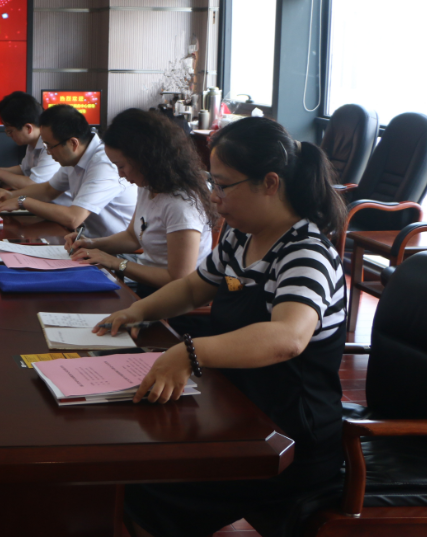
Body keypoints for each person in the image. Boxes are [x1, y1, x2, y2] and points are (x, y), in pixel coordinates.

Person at [94, 117, 347, 537]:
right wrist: (136, 312)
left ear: (269, 183)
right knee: (129, 458)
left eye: (223, 185)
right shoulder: (240, 238)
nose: (214, 197)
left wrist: (190, 352)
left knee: (143, 486)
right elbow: (193, 287)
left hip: (284, 440)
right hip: (235, 410)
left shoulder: (306, 253)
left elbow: (288, 337)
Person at [64, 109, 214, 297]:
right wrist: (90, 244)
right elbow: (132, 237)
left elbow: (179, 278)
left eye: (121, 166)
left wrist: (115, 262)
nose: (120, 174)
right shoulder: (149, 186)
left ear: (145, 158)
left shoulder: (181, 204)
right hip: (148, 287)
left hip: (173, 299)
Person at [0, 104, 136, 238]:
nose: (48, 152)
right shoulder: (74, 158)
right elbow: (48, 190)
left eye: (50, 146)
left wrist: (22, 201)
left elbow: (73, 218)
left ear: (73, 143)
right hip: (91, 240)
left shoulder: (104, 164)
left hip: (119, 249)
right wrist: (11, 195)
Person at [0, 91, 59, 187]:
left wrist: (1, 174)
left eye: (10, 131)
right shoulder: (33, 142)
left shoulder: (51, 145)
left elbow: (35, 185)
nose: (10, 135)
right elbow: (24, 170)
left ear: (28, 128)